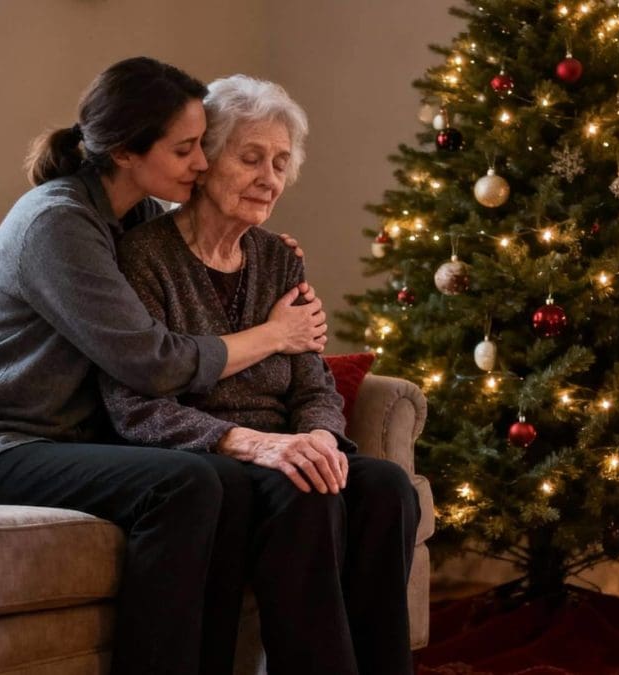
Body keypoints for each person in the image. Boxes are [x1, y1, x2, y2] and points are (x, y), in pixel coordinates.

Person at [0, 57, 328, 675]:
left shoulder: (133, 215)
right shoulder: (57, 223)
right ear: (125, 152)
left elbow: (194, 250)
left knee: (221, 479)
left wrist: (262, 247)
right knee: (187, 483)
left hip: (77, 440)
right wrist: (274, 335)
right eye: (185, 149)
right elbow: (152, 362)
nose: (202, 163)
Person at [99, 74, 420, 675]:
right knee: (306, 492)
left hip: (285, 446)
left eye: (279, 162)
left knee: (385, 487)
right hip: (204, 452)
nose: (269, 177)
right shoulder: (143, 257)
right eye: (250, 158)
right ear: (204, 162)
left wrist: (321, 436)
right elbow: (135, 406)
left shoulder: (279, 258)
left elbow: (313, 382)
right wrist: (258, 445)